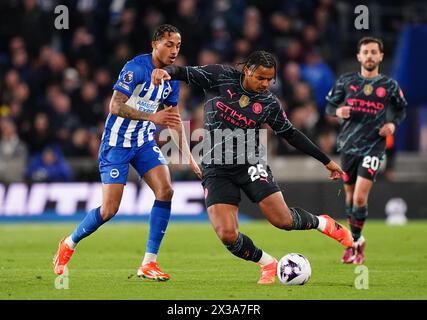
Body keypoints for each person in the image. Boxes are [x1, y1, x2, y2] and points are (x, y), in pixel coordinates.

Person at [151, 50, 353, 284]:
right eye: (260, 78)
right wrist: (164, 71)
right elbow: (184, 72)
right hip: (216, 168)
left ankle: (322, 223)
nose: (265, 84)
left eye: (269, 79)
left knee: (283, 220)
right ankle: (268, 263)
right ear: (247, 70)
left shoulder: (268, 103)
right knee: (227, 235)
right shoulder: (220, 76)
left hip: (250, 163)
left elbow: (292, 135)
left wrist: (326, 162)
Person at [53, 24, 201, 281]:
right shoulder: (135, 68)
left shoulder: (171, 78)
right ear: (155, 44)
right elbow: (115, 105)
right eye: (169, 44)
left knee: (166, 190)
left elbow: (174, 118)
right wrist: (152, 115)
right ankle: (69, 242)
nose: (174, 50)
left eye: (178, 45)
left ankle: (148, 263)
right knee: (110, 210)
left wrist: (188, 156)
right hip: (116, 143)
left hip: (142, 141)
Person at [325, 37, 407, 264]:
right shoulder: (346, 81)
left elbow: (401, 111)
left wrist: (392, 125)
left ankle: (355, 242)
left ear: (381, 56)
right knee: (350, 198)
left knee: (360, 196)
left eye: (374, 52)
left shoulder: (389, 86)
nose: (370, 55)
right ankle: (355, 242)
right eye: (366, 52)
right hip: (349, 146)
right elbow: (330, 105)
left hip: (374, 146)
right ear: (359, 56)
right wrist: (338, 111)